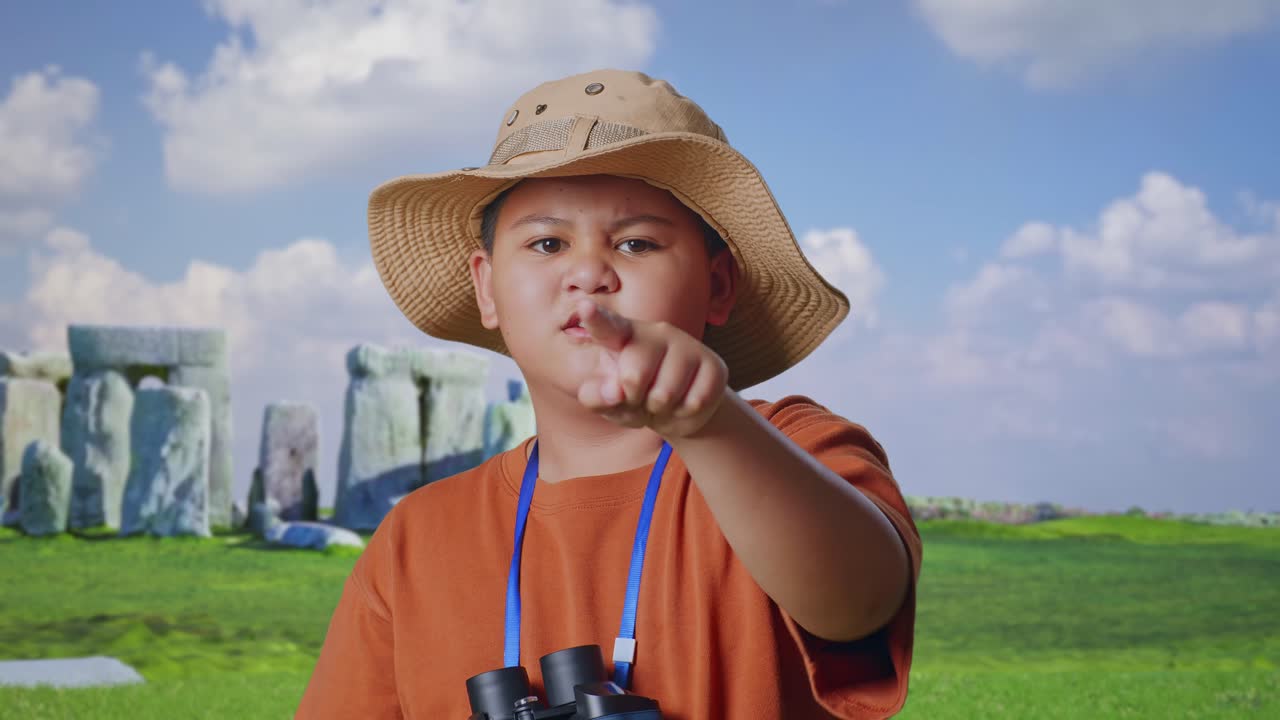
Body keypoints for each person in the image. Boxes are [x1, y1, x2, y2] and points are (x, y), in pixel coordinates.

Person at [296, 69, 923, 719]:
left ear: (718, 285)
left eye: (635, 243)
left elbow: (859, 601)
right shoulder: (416, 539)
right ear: (486, 288)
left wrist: (710, 426)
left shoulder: (791, 450)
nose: (589, 272)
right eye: (547, 243)